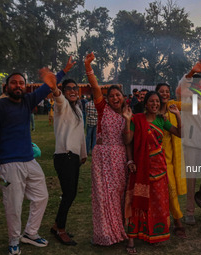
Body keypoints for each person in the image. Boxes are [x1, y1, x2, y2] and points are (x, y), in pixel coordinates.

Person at [0, 60, 73, 254]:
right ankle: (13, 241)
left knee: (41, 196)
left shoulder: (27, 101)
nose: (18, 86)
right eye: (14, 83)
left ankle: (30, 233)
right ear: (6, 86)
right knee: (14, 205)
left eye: (21, 83)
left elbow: (47, 87)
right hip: (8, 164)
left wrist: (64, 71)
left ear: (25, 87)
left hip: (29, 160)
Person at [124, 91, 182, 254]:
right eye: (152, 101)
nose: (155, 104)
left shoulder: (161, 120)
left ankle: (155, 234)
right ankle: (131, 239)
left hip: (159, 168)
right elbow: (127, 141)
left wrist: (177, 115)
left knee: (158, 202)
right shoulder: (137, 119)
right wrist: (128, 121)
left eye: (157, 101)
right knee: (137, 202)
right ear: (146, 104)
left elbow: (180, 134)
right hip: (141, 167)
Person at [85, 52, 131, 246]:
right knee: (104, 195)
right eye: (111, 95)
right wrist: (88, 67)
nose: (114, 98)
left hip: (120, 157)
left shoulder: (129, 114)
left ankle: (119, 229)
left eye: (117, 95)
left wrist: (128, 121)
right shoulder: (103, 108)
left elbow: (128, 140)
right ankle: (106, 234)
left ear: (123, 98)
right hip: (103, 157)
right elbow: (95, 87)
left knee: (119, 194)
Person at [50, 73, 87, 245]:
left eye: (75, 88)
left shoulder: (78, 109)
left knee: (70, 194)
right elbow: (58, 98)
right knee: (69, 194)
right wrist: (55, 88)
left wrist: (83, 153)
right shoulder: (62, 106)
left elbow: (81, 135)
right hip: (64, 156)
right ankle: (61, 229)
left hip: (74, 156)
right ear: (64, 91)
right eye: (69, 89)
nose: (73, 91)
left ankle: (57, 225)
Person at [176, 60, 201, 225]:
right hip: (192, 143)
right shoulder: (186, 96)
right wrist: (191, 73)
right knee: (191, 180)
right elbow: (182, 85)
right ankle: (190, 212)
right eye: (198, 81)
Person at [156, 83, 187, 238]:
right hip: (154, 158)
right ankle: (171, 221)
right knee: (160, 192)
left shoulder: (172, 106)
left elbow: (196, 105)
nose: (165, 94)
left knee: (171, 189)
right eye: (161, 92)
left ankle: (176, 221)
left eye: (167, 92)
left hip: (170, 159)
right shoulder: (151, 110)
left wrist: (188, 80)